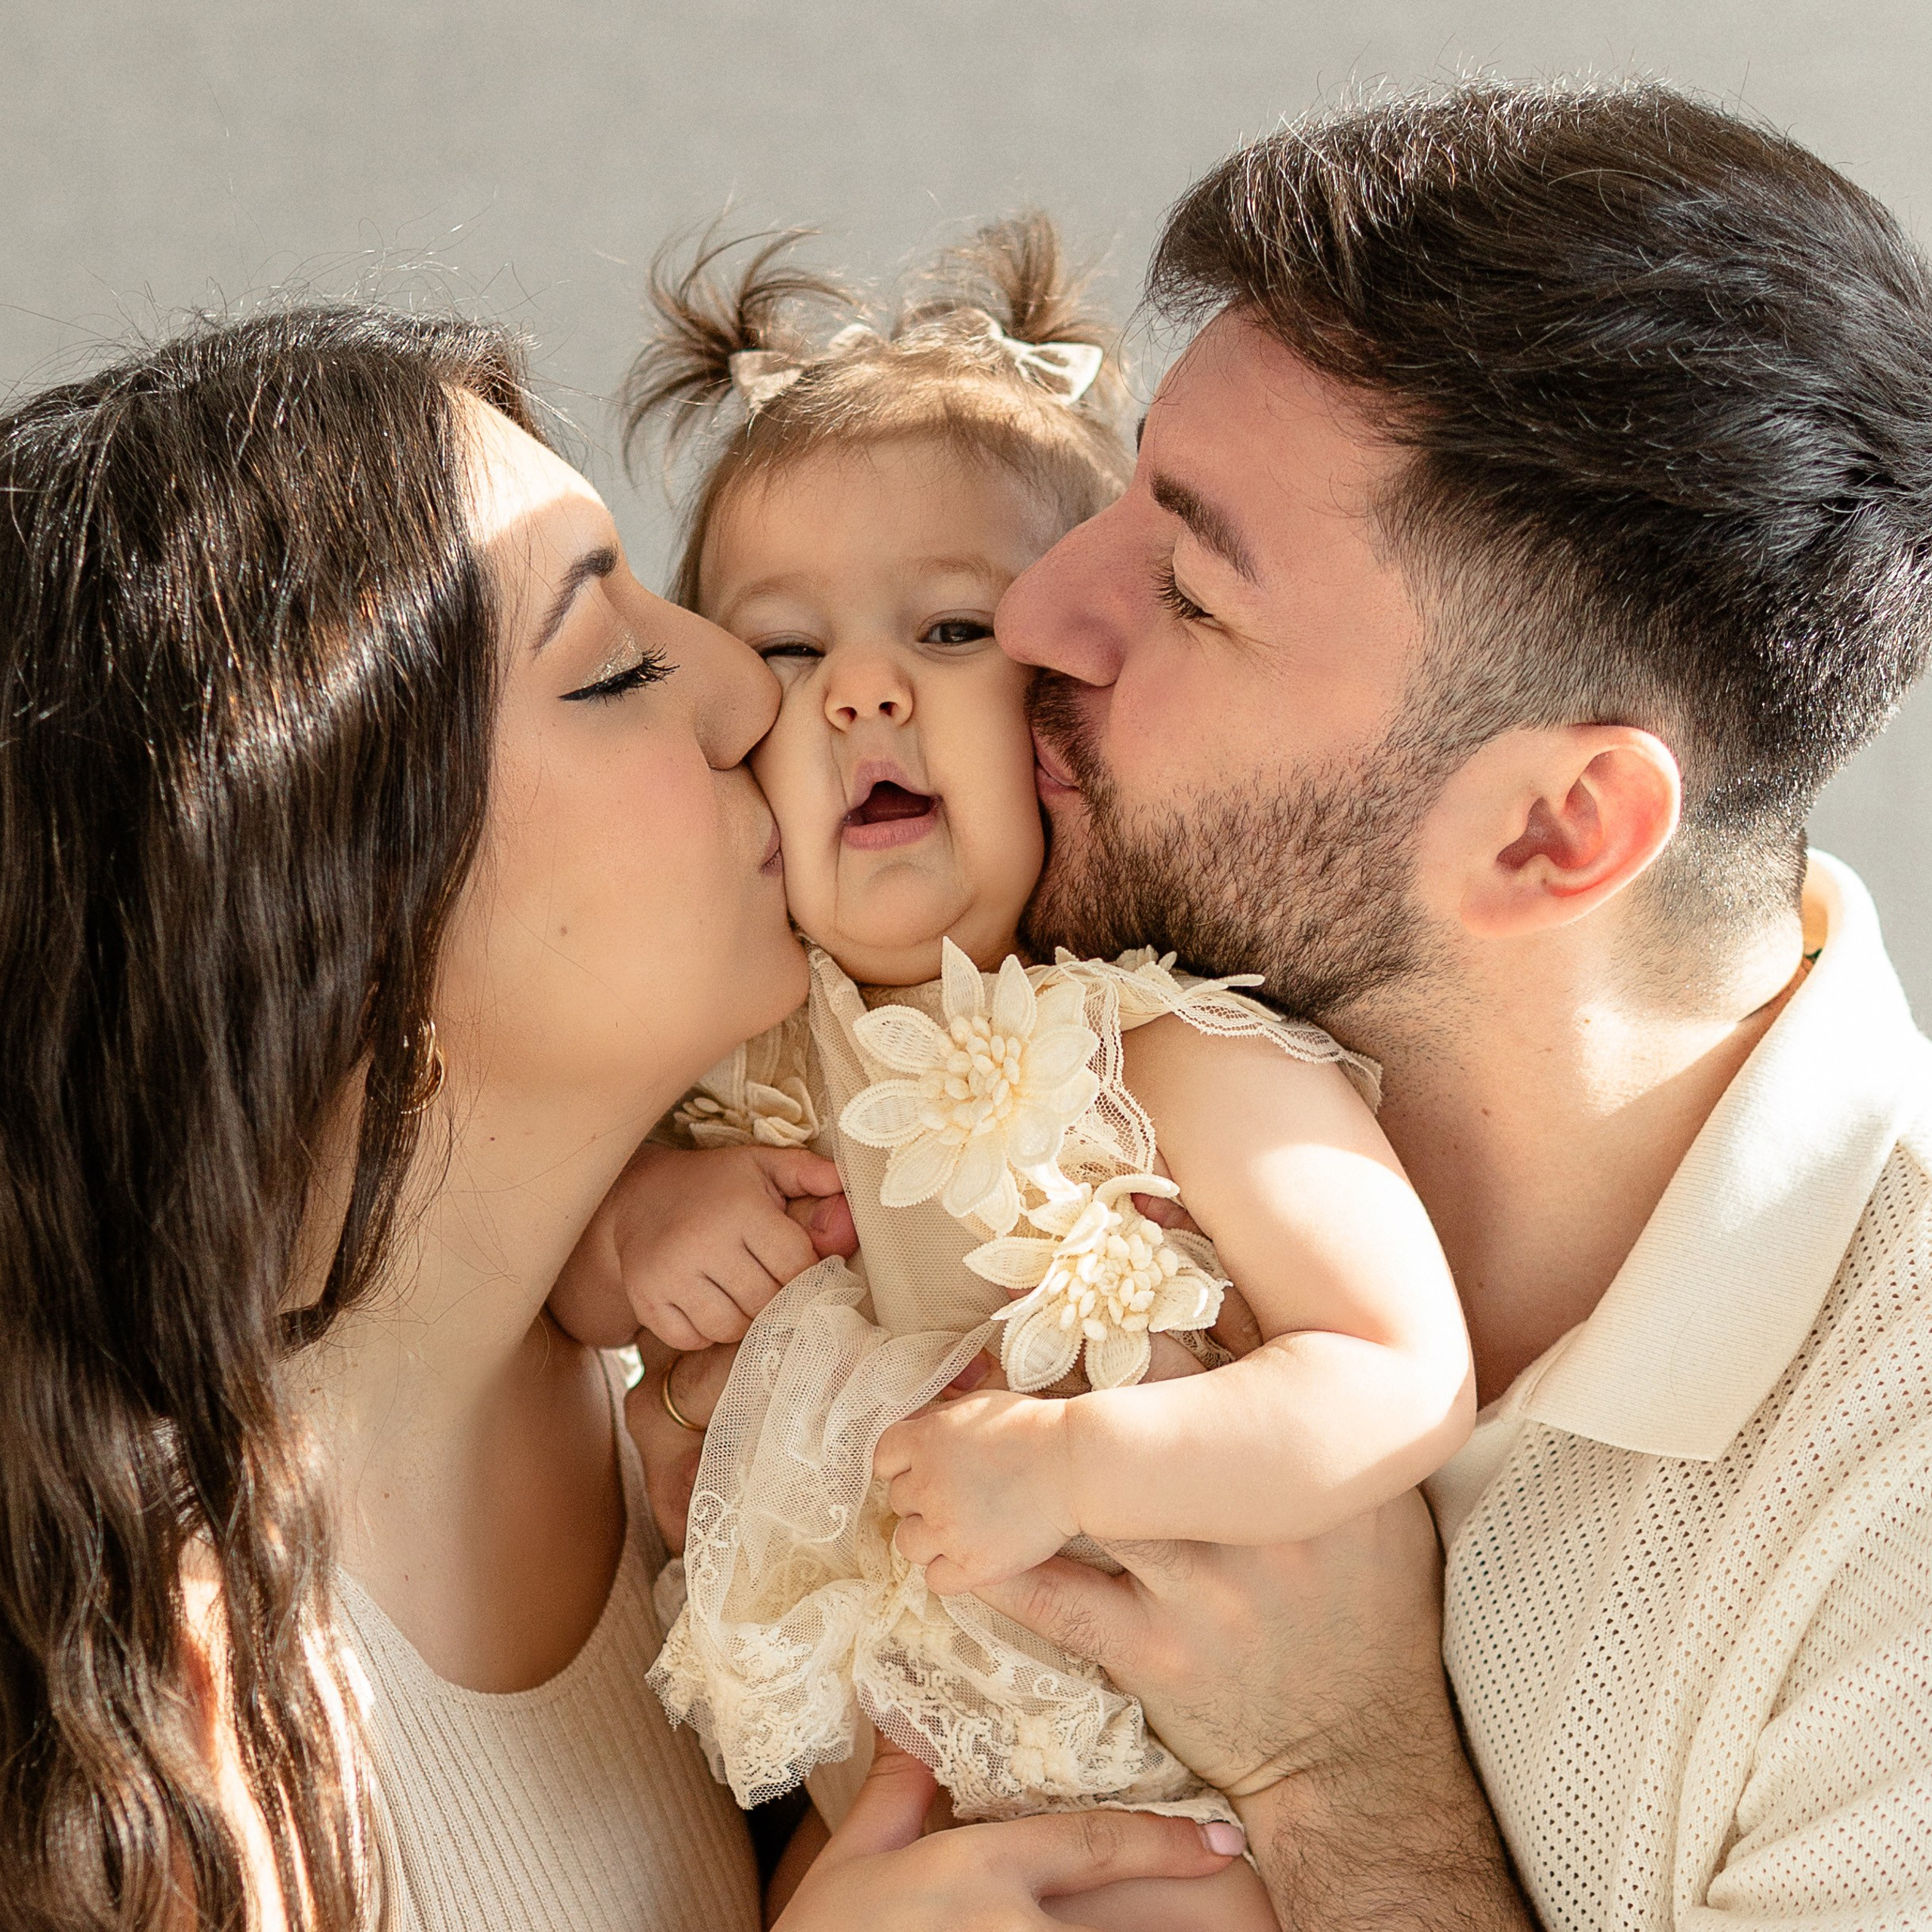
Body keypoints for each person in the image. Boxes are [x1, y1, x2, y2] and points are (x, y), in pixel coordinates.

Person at [0, 305, 1243, 1929]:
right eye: (617, 665)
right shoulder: (162, 1746)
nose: (750, 693)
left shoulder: (714, 1367)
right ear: (350, 917)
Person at [964, 78, 1932, 1930]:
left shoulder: (1893, 1498)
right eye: (1124, 500)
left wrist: (1350, 1774)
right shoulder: (1050, 1084)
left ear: (1555, 829)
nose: (1034, 610)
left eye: (1183, 581)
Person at [550, 217, 1469, 1930]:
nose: (860, 695)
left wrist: (1077, 1463)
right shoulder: (731, 1053)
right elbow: (558, 1286)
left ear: (1069, 707)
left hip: (1175, 1810)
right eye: (793, 648)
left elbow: (1393, 1374)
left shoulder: (1159, 1044)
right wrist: (637, 1228)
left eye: (951, 629)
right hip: (870, 1804)